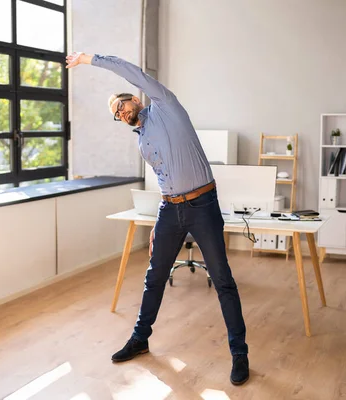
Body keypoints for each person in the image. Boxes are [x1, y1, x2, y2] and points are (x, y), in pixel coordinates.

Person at [65, 52, 250, 385]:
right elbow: (165, 178)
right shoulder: (142, 142)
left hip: (203, 205)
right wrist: (160, 226)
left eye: (122, 105)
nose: (121, 113)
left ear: (135, 98)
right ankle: (140, 339)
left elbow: (130, 70)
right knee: (154, 277)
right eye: (116, 114)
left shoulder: (166, 105)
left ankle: (239, 353)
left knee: (223, 279)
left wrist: (88, 59)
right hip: (170, 210)